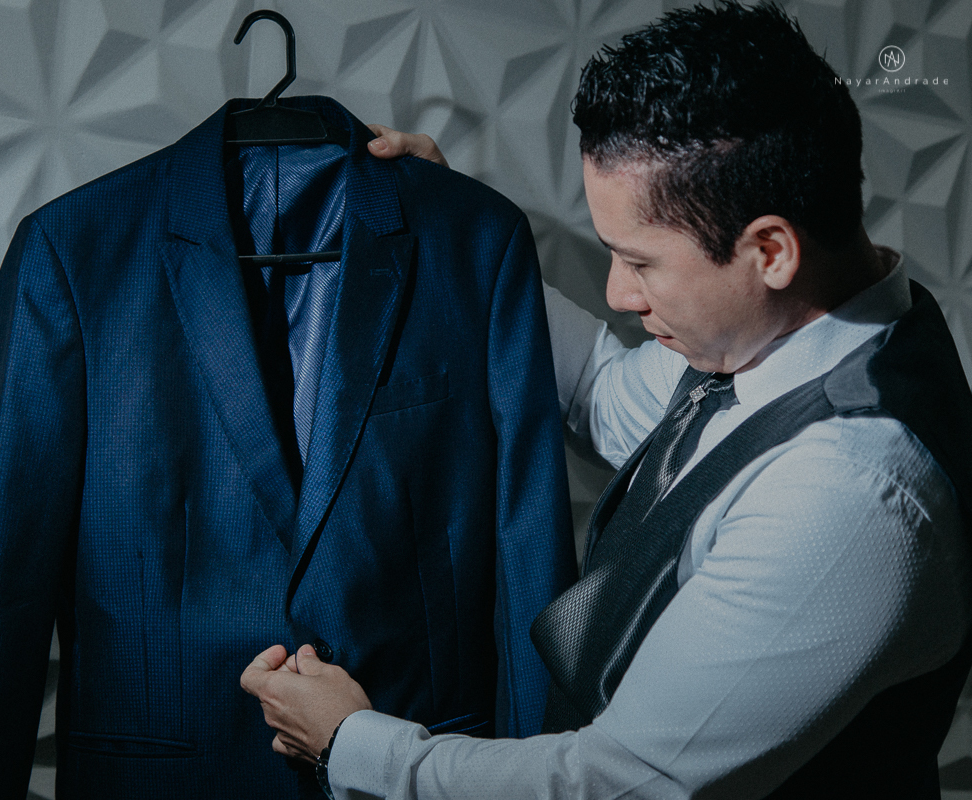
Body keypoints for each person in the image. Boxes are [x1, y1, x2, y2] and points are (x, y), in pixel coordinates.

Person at [240, 3, 972, 799]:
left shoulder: (849, 490)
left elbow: (624, 784)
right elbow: (603, 394)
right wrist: (466, 242)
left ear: (771, 251)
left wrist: (351, 744)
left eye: (640, 262)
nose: (620, 293)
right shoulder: (771, 337)